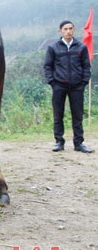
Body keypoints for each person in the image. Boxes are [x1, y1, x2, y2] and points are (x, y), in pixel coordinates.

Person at [43, 20, 93, 154]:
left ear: (74, 30)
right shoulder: (53, 47)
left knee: (77, 115)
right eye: (65, 29)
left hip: (77, 86)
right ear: (60, 31)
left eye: (71, 28)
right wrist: (52, 82)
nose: (68, 31)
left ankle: (79, 143)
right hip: (59, 85)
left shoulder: (81, 47)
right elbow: (48, 66)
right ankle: (59, 141)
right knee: (58, 114)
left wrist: (83, 82)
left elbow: (86, 67)